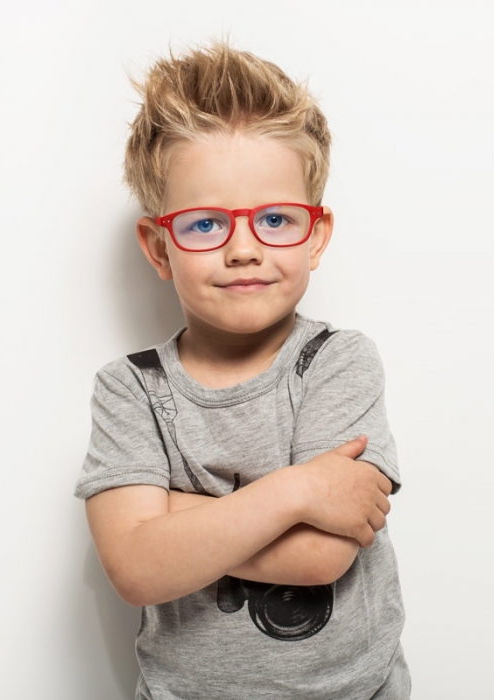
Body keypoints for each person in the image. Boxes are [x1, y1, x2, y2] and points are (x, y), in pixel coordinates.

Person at [75, 42, 411, 699]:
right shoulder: (131, 389)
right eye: (205, 224)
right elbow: (135, 570)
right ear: (159, 247)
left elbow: (320, 556)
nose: (243, 249)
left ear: (316, 236)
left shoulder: (337, 361)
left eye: (276, 219)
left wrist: (167, 526)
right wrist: (299, 491)